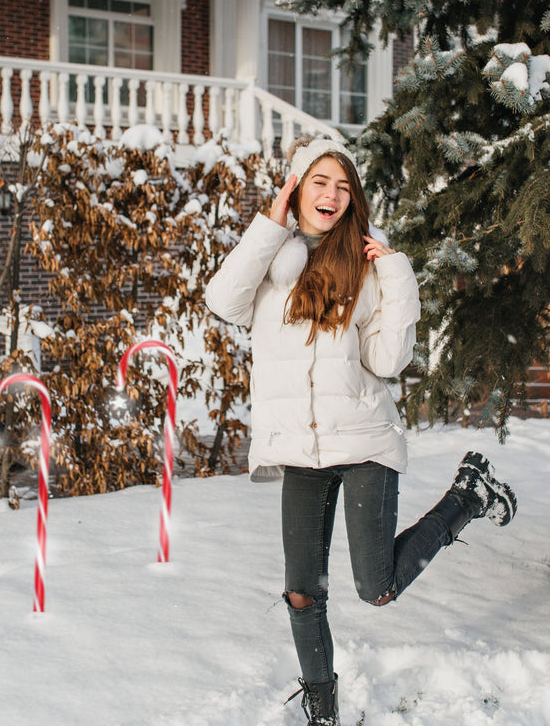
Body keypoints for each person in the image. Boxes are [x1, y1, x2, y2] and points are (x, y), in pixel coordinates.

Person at [204, 138, 518, 726]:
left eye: (344, 186)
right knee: (302, 592)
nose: (332, 195)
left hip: (364, 440)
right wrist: (269, 226)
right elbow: (222, 301)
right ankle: (323, 713)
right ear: (296, 188)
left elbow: (387, 360)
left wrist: (396, 275)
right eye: (320, 182)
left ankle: (468, 497)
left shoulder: (366, 267)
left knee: (378, 587)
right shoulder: (269, 265)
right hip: (302, 450)